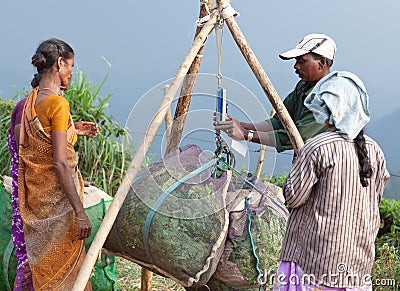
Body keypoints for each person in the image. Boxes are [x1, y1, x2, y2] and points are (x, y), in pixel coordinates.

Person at [273, 68, 390, 290]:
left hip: (315, 262)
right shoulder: (375, 151)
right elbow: (375, 200)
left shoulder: (318, 147)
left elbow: (293, 196)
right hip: (357, 264)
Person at [18, 38, 99, 290]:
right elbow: (59, 162)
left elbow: (40, 139)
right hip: (60, 208)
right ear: (60, 63)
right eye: (71, 66)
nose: (72, 73)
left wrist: (74, 130)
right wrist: (80, 212)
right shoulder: (59, 103)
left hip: (38, 205)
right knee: (69, 275)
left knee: (47, 274)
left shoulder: (31, 101)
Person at [214, 33, 337, 153]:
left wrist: (246, 134)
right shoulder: (303, 87)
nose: (296, 66)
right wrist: (241, 125)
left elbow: (296, 137)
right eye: (296, 61)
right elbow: (281, 121)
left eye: (302, 61)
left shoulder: (328, 98)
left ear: (321, 62)